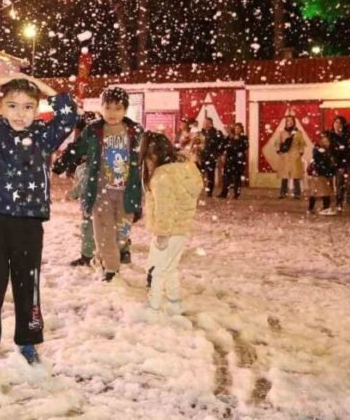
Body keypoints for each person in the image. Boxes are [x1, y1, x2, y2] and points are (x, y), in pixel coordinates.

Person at [0, 71, 77, 365]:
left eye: (28, 106)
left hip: (29, 221)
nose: (20, 114)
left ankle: (28, 340)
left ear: (37, 110)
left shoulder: (43, 135)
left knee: (28, 283)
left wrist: (43, 87)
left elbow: (68, 115)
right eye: (12, 105)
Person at [58, 87, 144, 280]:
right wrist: (59, 165)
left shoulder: (135, 131)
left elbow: (146, 157)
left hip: (126, 193)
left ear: (125, 109)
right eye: (108, 107)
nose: (112, 113)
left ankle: (105, 256)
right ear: (101, 108)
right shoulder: (94, 130)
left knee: (121, 235)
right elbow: (76, 148)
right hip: (101, 192)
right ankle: (111, 269)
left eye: (118, 108)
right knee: (103, 232)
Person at [141, 132, 201, 315]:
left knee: (156, 269)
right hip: (181, 229)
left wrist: (162, 233)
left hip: (167, 231)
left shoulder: (162, 177)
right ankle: (174, 301)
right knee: (170, 268)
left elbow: (165, 208)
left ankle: (154, 305)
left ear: (153, 156)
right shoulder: (184, 169)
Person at [273, 115, 306, 199]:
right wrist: (278, 151)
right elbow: (277, 143)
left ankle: (297, 193)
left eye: (291, 120)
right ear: (286, 122)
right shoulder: (281, 132)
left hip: (295, 155)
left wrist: (300, 152)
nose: (289, 122)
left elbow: (302, 144)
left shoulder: (298, 132)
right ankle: (283, 193)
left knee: (296, 175)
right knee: (284, 175)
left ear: (294, 122)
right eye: (288, 121)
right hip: (285, 155)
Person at [307, 132, 337, 215]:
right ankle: (325, 208)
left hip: (318, 174)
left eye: (327, 141)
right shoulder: (320, 151)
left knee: (315, 192)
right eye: (324, 141)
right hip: (320, 174)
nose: (326, 143)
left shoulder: (324, 151)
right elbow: (321, 162)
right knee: (325, 192)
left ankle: (311, 208)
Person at [198, 118, 226, 197]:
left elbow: (222, 144)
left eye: (207, 123)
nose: (205, 124)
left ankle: (209, 191)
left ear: (211, 123)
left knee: (210, 174)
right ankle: (199, 190)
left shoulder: (217, 133)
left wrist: (217, 153)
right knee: (200, 174)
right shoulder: (201, 133)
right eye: (204, 123)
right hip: (202, 156)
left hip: (211, 156)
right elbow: (197, 143)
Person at [219, 123, 248, 199]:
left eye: (239, 128)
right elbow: (223, 146)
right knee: (226, 176)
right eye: (236, 128)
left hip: (238, 160)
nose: (237, 130)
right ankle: (224, 193)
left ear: (241, 129)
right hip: (229, 159)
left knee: (237, 177)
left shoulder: (244, 138)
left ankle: (236, 193)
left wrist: (235, 140)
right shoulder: (229, 137)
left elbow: (244, 147)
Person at [327, 116, 350, 209]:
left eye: (340, 123)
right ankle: (328, 201)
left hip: (341, 162)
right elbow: (326, 147)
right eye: (336, 122)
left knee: (340, 183)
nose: (337, 124)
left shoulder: (346, 136)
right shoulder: (329, 135)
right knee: (328, 183)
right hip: (329, 162)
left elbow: (347, 150)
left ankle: (339, 202)